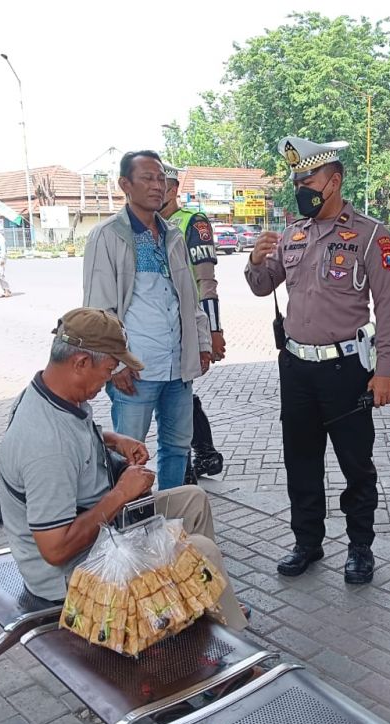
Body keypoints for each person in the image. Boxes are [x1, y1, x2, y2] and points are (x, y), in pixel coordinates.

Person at [0, 307, 246, 629]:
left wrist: (114, 440)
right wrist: (121, 494)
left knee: (193, 500)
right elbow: (56, 550)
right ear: (80, 362)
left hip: (102, 534)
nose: (109, 378)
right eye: (109, 369)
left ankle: (207, 603)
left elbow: (75, 439)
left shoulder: (51, 393)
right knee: (202, 551)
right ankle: (230, 638)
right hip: (73, 577)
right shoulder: (47, 445)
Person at [244, 137, 390, 584]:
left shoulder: (371, 235)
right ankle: (307, 542)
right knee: (301, 461)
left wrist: (385, 371)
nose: (300, 190)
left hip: (345, 371)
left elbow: (387, 309)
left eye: (307, 182)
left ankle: (360, 548)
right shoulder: (293, 234)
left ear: (333, 182)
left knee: (355, 464)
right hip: (296, 369)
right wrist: (255, 261)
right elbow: (262, 285)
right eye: (296, 182)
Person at [82, 150, 212, 490]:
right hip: (135, 370)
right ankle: (132, 516)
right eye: (147, 179)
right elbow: (98, 309)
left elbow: (189, 298)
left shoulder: (173, 235)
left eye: (161, 179)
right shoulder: (108, 235)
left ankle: (171, 514)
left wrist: (201, 343)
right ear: (125, 185)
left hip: (177, 367)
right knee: (130, 454)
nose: (157, 186)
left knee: (177, 448)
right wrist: (114, 364)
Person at [157, 161, 226, 483]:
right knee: (173, 393)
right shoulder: (145, 225)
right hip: (158, 326)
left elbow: (205, 281)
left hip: (187, 323)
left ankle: (188, 467)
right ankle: (205, 454)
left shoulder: (192, 223)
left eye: (162, 185)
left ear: (173, 190)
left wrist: (213, 330)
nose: (155, 191)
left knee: (177, 393)